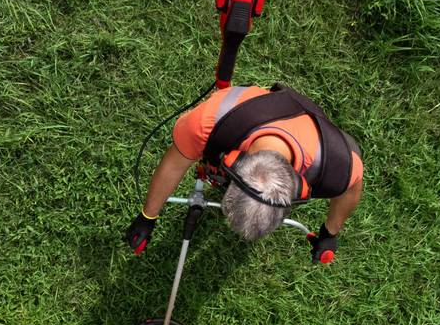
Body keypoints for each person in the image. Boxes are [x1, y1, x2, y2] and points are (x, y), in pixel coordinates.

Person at [123, 84, 363, 263]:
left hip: (316, 133)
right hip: (246, 109)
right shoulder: (209, 121)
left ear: (299, 188)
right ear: (231, 163)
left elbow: (352, 188)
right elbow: (174, 164)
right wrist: (148, 217)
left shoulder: (339, 166)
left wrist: (329, 232)